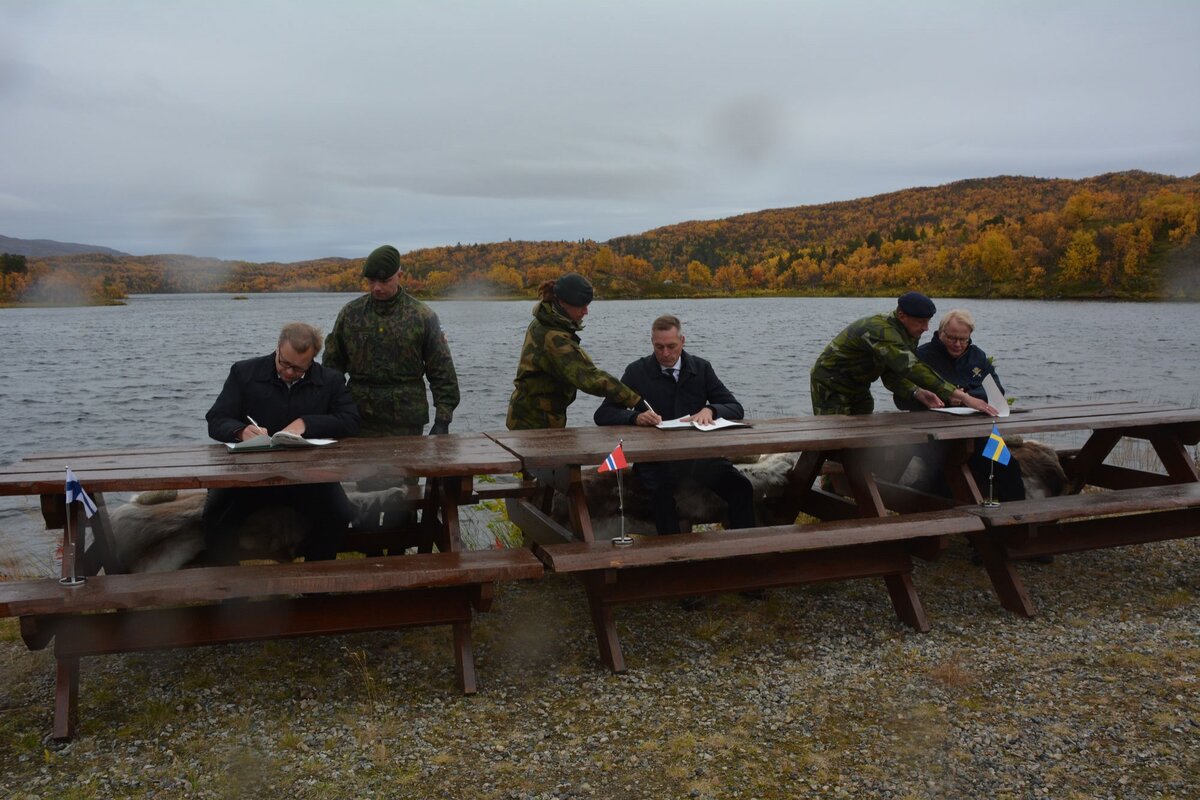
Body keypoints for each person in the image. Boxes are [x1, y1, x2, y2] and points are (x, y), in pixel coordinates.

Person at [203, 322, 361, 564]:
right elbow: (215, 419)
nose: (289, 372)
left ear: (312, 360)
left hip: (309, 478)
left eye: (299, 369)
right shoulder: (244, 373)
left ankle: (315, 585)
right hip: (247, 478)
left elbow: (350, 421)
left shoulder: (330, 380)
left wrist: (306, 424)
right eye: (284, 364)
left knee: (339, 513)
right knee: (215, 516)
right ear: (277, 349)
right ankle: (229, 591)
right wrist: (240, 431)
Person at [595, 314, 756, 536]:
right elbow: (603, 413)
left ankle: (745, 550)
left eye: (671, 346)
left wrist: (710, 410)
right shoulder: (637, 371)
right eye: (659, 347)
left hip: (700, 457)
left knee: (741, 487)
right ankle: (673, 560)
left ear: (683, 341)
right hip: (655, 461)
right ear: (652, 342)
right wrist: (634, 418)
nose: (665, 353)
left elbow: (734, 407)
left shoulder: (701, 368)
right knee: (662, 499)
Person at [323, 244, 460, 438]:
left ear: (399, 275)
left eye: (384, 281)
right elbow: (331, 367)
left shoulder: (422, 316)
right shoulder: (351, 314)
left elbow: (442, 371)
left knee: (405, 469)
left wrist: (443, 420)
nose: (377, 287)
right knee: (357, 469)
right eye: (371, 281)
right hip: (358, 416)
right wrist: (328, 408)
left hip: (406, 419)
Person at [895, 308, 1025, 501]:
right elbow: (901, 398)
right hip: (935, 438)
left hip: (979, 435)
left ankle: (1017, 523)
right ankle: (945, 525)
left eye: (963, 339)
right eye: (952, 338)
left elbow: (997, 391)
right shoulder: (921, 357)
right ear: (940, 334)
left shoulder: (977, 356)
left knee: (1009, 467)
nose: (958, 344)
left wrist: (968, 395)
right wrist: (945, 397)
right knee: (944, 475)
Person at [810, 291, 999, 417]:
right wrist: (964, 397)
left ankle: (853, 477)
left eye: (928, 321)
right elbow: (910, 367)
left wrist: (916, 392)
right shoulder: (881, 331)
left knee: (861, 439)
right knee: (836, 441)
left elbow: (892, 374)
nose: (926, 328)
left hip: (859, 385)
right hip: (831, 385)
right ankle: (829, 477)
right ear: (902, 316)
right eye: (920, 322)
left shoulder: (909, 332)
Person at [506, 272, 642, 430]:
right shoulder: (552, 336)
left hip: (540, 416)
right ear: (562, 302)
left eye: (587, 305)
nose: (586, 311)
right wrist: (635, 401)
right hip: (533, 422)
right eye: (581, 305)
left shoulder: (547, 320)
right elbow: (589, 377)